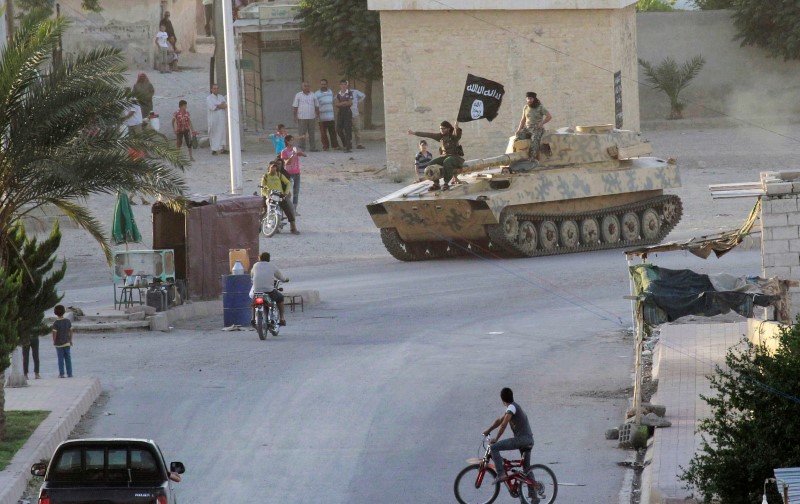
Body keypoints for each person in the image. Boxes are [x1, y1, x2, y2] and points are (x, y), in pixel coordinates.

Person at [482, 387, 534, 486]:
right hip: (528, 439)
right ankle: (533, 496)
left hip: (522, 440)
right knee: (527, 469)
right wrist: (488, 430)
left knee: (494, 448)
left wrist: (496, 439)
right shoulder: (513, 407)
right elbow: (500, 420)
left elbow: (503, 424)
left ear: (502, 399)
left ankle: (501, 474)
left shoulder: (511, 408)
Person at [406, 120, 464, 191]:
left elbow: (457, 134)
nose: (441, 130)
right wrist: (414, 133)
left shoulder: (453, 136)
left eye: (443, 128)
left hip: (455, 158)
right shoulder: (440, 137)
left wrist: (456, 127)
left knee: (447, 161)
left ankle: (446, 184)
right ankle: (436, 184)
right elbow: (428, 134)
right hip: (445, 156)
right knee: (431, 164)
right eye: (440, 129)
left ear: (448, 129)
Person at [250, 251, 289, 327]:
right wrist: (285, 279)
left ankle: (253, 318)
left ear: (260, 258)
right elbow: (281, 277)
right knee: (280, 298)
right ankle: (282, 318)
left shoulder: (255, 265)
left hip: (257, 291)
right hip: (269, 291)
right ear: (269, 259)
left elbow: (251, 276)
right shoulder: (272, 266)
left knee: (254, 303)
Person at [261, 161, 299, 235]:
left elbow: (288, 183)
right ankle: (259, 226)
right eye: (272, 167)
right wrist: (266, 195)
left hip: (279, 195)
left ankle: (293, 226)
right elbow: (262, 189)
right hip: (269, 195)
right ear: (269, 168)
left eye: (275, 167)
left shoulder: (279, 175)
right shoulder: (265, 177)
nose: (274, 169)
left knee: (288, 210)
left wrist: (286, 192)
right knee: (265, 210)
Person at [515, 91, 552, 159]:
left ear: (534, 99)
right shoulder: (525, 107)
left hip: (537, 128)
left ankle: (532, 158)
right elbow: (523, 119)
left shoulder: (540, 107)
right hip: (527, 128)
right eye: (528, 98)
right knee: (518, 137)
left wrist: (541, 124)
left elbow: (549, 116)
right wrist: (519, 129)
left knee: (534, 139)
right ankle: (519, 156)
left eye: (531, 98)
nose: (529, 100)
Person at [281, 134, 306, 211]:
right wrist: (292, 155)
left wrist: (301, 154)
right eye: (291, 140)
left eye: (293, 140)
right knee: (287, 192)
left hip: (297, 172)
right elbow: (286, 163)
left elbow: (298, 155)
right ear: (287, 141)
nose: (292, 141)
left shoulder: (294, 149)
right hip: (288, 173)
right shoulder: (284, 151)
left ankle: (294, 209)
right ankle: (287, 208)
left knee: (296, 191)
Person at [292, 81, 319, 152]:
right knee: (302, 133)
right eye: (304, 86)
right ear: (302, 87)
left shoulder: (313, 95)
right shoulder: (298, 95)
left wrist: (317, 115)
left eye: (308, 86)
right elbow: (295, 107)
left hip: (311, 117)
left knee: (312, 133)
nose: (306, 87)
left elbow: (317, 106)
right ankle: (302, 148)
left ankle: (313, 148)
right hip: (302, 117)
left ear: (309, 87)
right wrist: (295, 116)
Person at [314, 78, 339, 151]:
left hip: (331, 116)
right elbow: (315, 105)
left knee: (333, 132)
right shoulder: (316, 94)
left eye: (324, 84)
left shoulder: (330, 92)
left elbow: (332, 102)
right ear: (320, 85)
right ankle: (325, 146)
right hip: (322, 117)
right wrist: (317, 114)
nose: (323, 85)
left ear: (327, 84)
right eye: (322, 84)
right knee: (323, 133)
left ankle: (335, 145)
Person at [51, 304, 73, 378]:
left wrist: (54, 341)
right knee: (68, 359)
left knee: (60, 359)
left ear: (55, 313)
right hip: (67, 342)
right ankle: (70, 373)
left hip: (59, 344)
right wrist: (70, 340)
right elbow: (71, 331)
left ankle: (61, 374)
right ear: (64, 312)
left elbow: (54, 333)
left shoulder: (55, 323)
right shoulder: (68, 321)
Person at [207, 84, 229, 155]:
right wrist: (220, 105)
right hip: (214, 119)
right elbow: (213, 107)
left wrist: (218, 105)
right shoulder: (209, 98)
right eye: (214, 88)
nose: (216, 89)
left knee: (222, 132)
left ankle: (222, 148)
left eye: (217, 88)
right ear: (212, 89)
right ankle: (214, 149)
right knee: (214, 133)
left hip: (222, 118)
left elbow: (225, 105)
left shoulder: (221, 96)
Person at [335, 79, 354, 152]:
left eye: (345, 84)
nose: (343, 86)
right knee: (338, 129)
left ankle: (348, 147)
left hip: (347, 111)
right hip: (341, 112)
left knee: (347, 129)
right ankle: (345, 144)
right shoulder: (338, 94)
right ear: (340, 85)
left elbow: (350, 103)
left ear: (347, 85)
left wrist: (341, 103)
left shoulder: (349, 92)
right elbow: (336, 104)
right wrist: (344, 103)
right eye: (342, 84)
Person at [350, 85, 367, 149]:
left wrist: (358, 102)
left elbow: (363, 95)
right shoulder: (341, 92)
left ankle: (359, 144)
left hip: (355, 113)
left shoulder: (355, 91)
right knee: (347, 130)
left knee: (357, 128)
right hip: (346, 114)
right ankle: (349, 143)